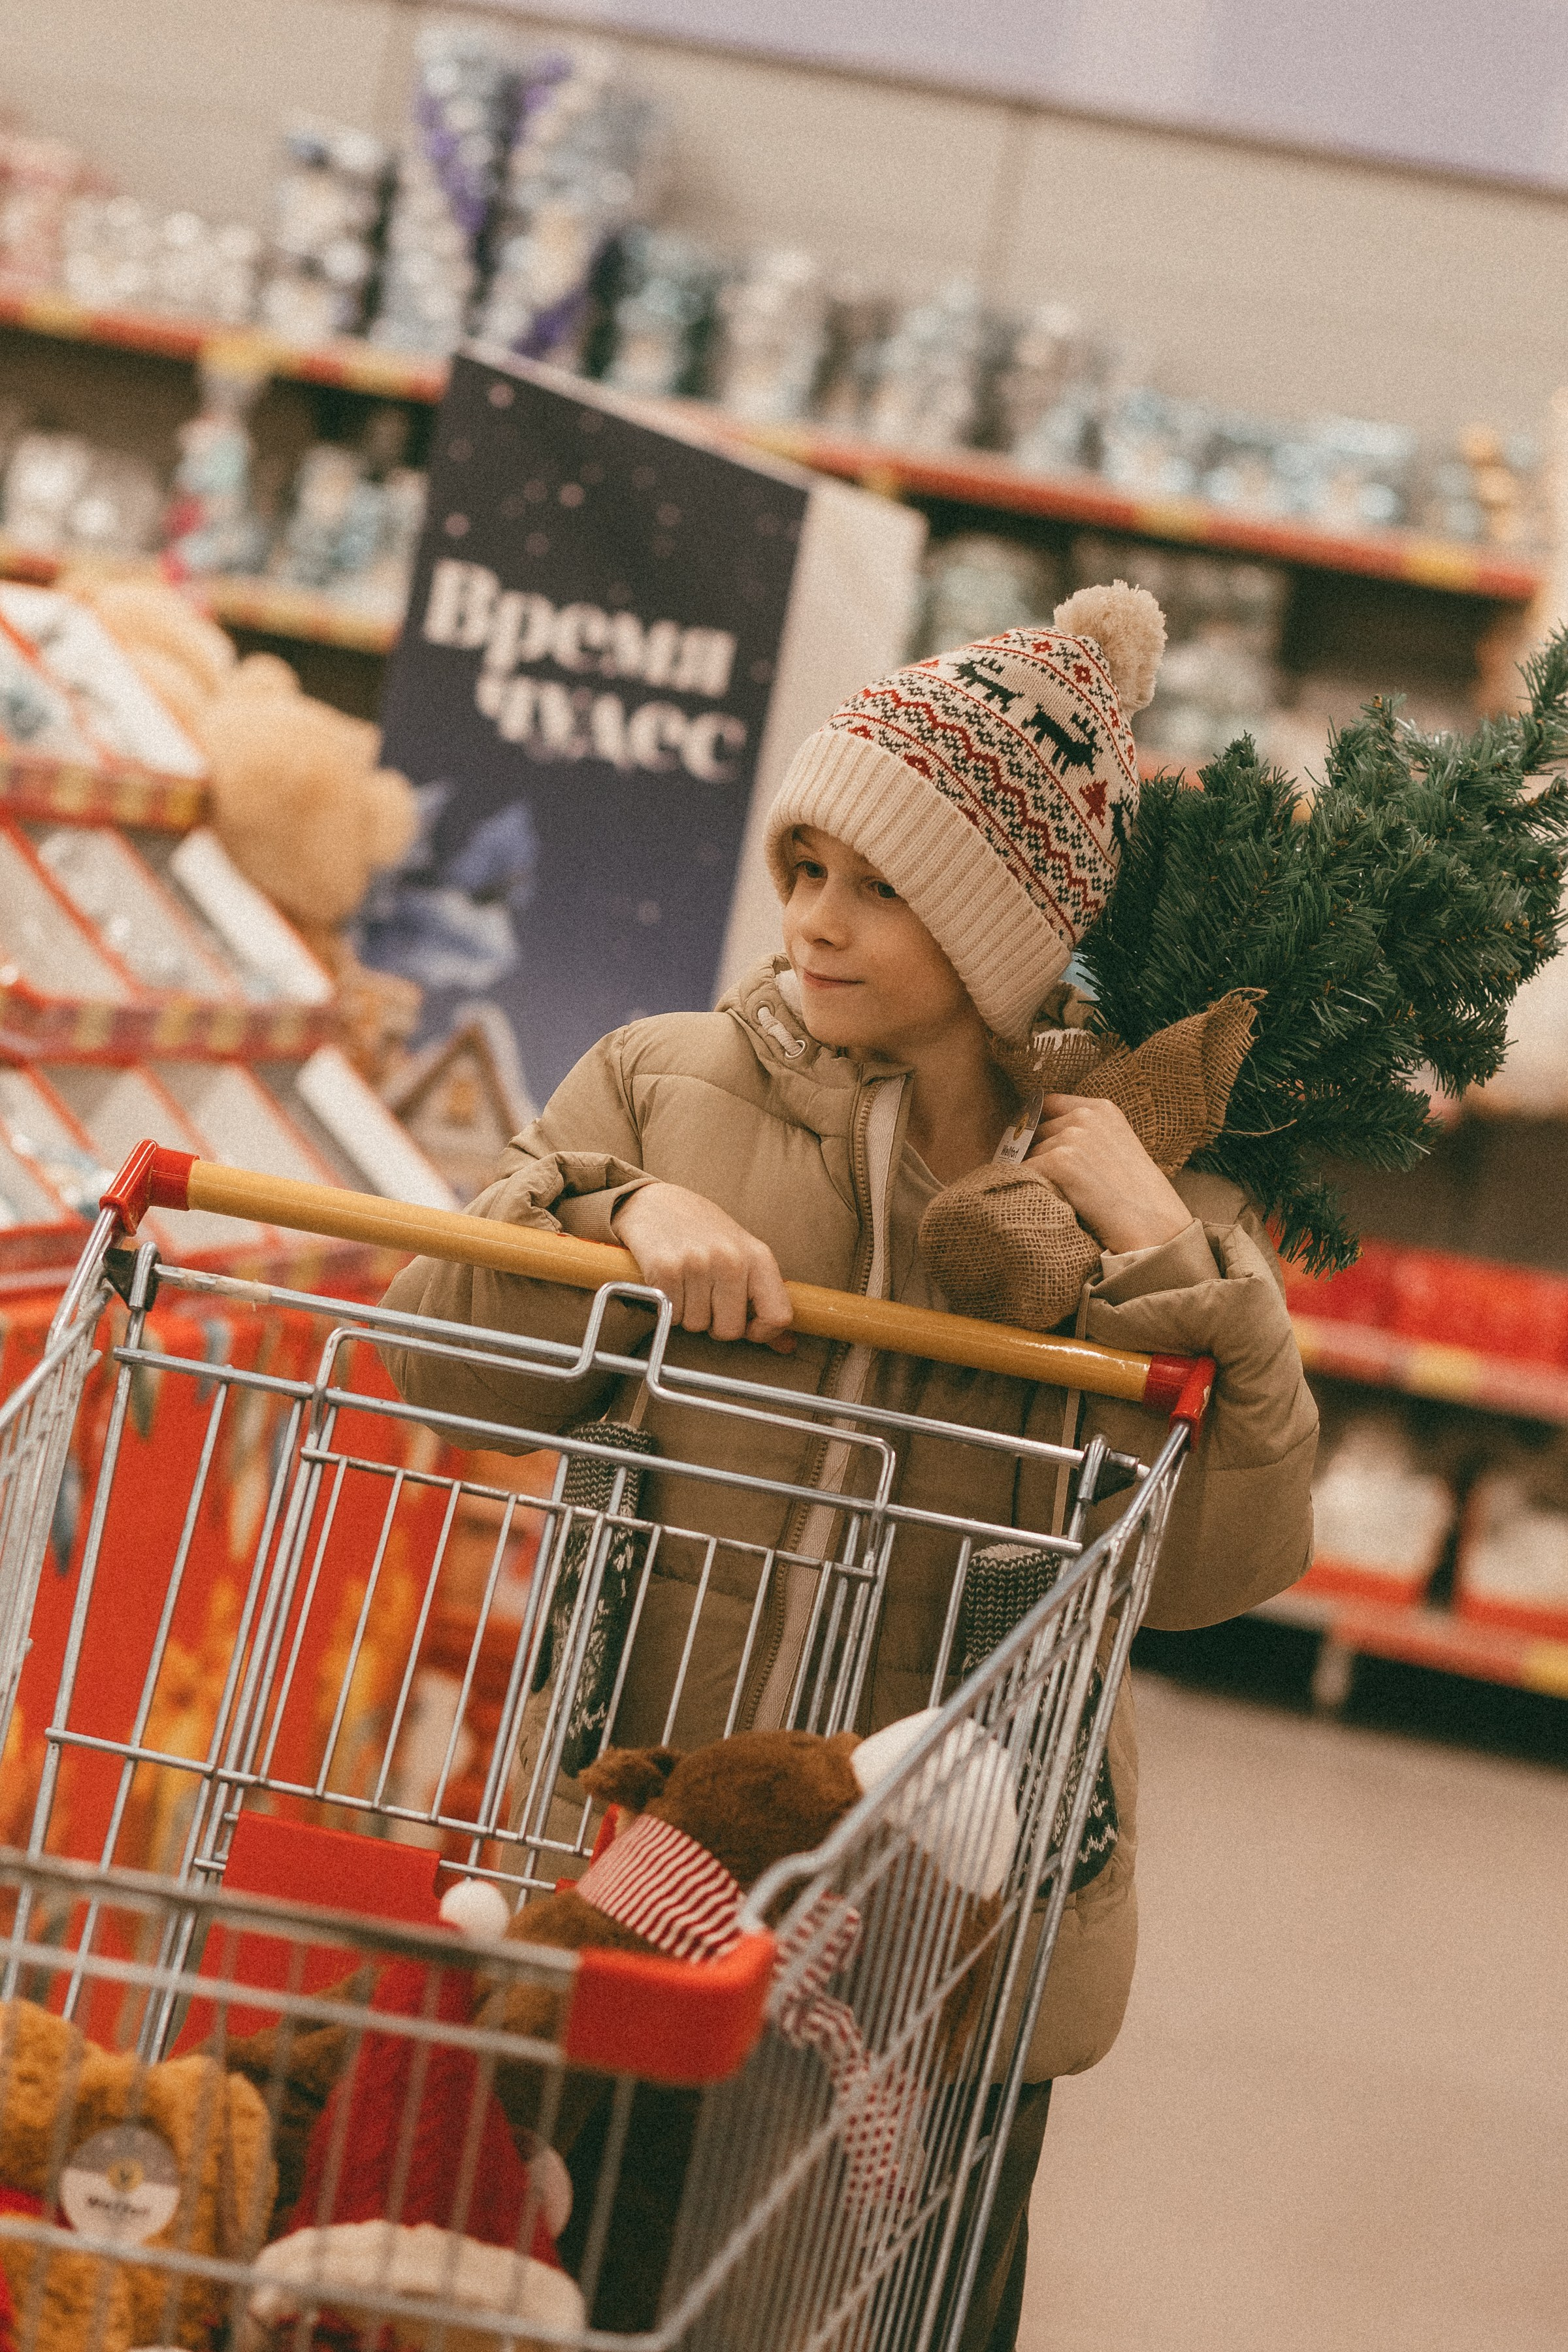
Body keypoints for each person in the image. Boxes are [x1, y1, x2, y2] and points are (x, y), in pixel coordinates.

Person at [381, 589, 1318, 2349]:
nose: (811, 920)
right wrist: (609, 1222)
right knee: (585, 2293)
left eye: (877, 885)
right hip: (667, 1875)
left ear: (1001, 925)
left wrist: (1171, 1263)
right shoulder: (662, 1087)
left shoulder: (1141, 1179)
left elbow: (1221, 1569)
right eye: (803, 866)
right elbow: (442, 1365)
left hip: (957, 1935)